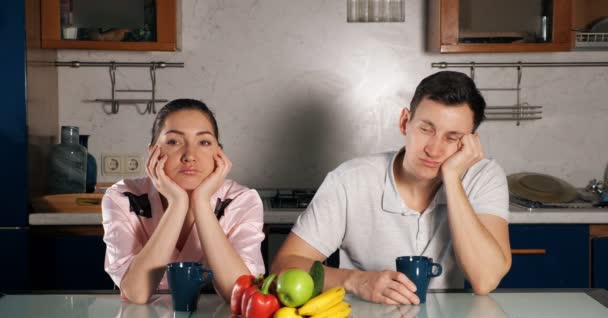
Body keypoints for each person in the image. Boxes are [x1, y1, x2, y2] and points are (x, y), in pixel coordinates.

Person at [271, 71, 511, 304]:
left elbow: (485, 280)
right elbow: (284, 267)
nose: (434, 150)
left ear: (469, 142)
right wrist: (356, 281)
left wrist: (452, 178)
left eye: (452, 138)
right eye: (426, 129)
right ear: (405, 122)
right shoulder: (349, 180)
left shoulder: (484, 177)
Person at [102, 99, 265, 304]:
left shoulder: (242, 200)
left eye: (204, 142)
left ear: (219, 153)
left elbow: (240, 295)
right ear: (153, 151)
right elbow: (137, 293)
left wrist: (201, 203)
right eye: (174, 142)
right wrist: (178, 204)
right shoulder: (123, 197)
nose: (190, 155)